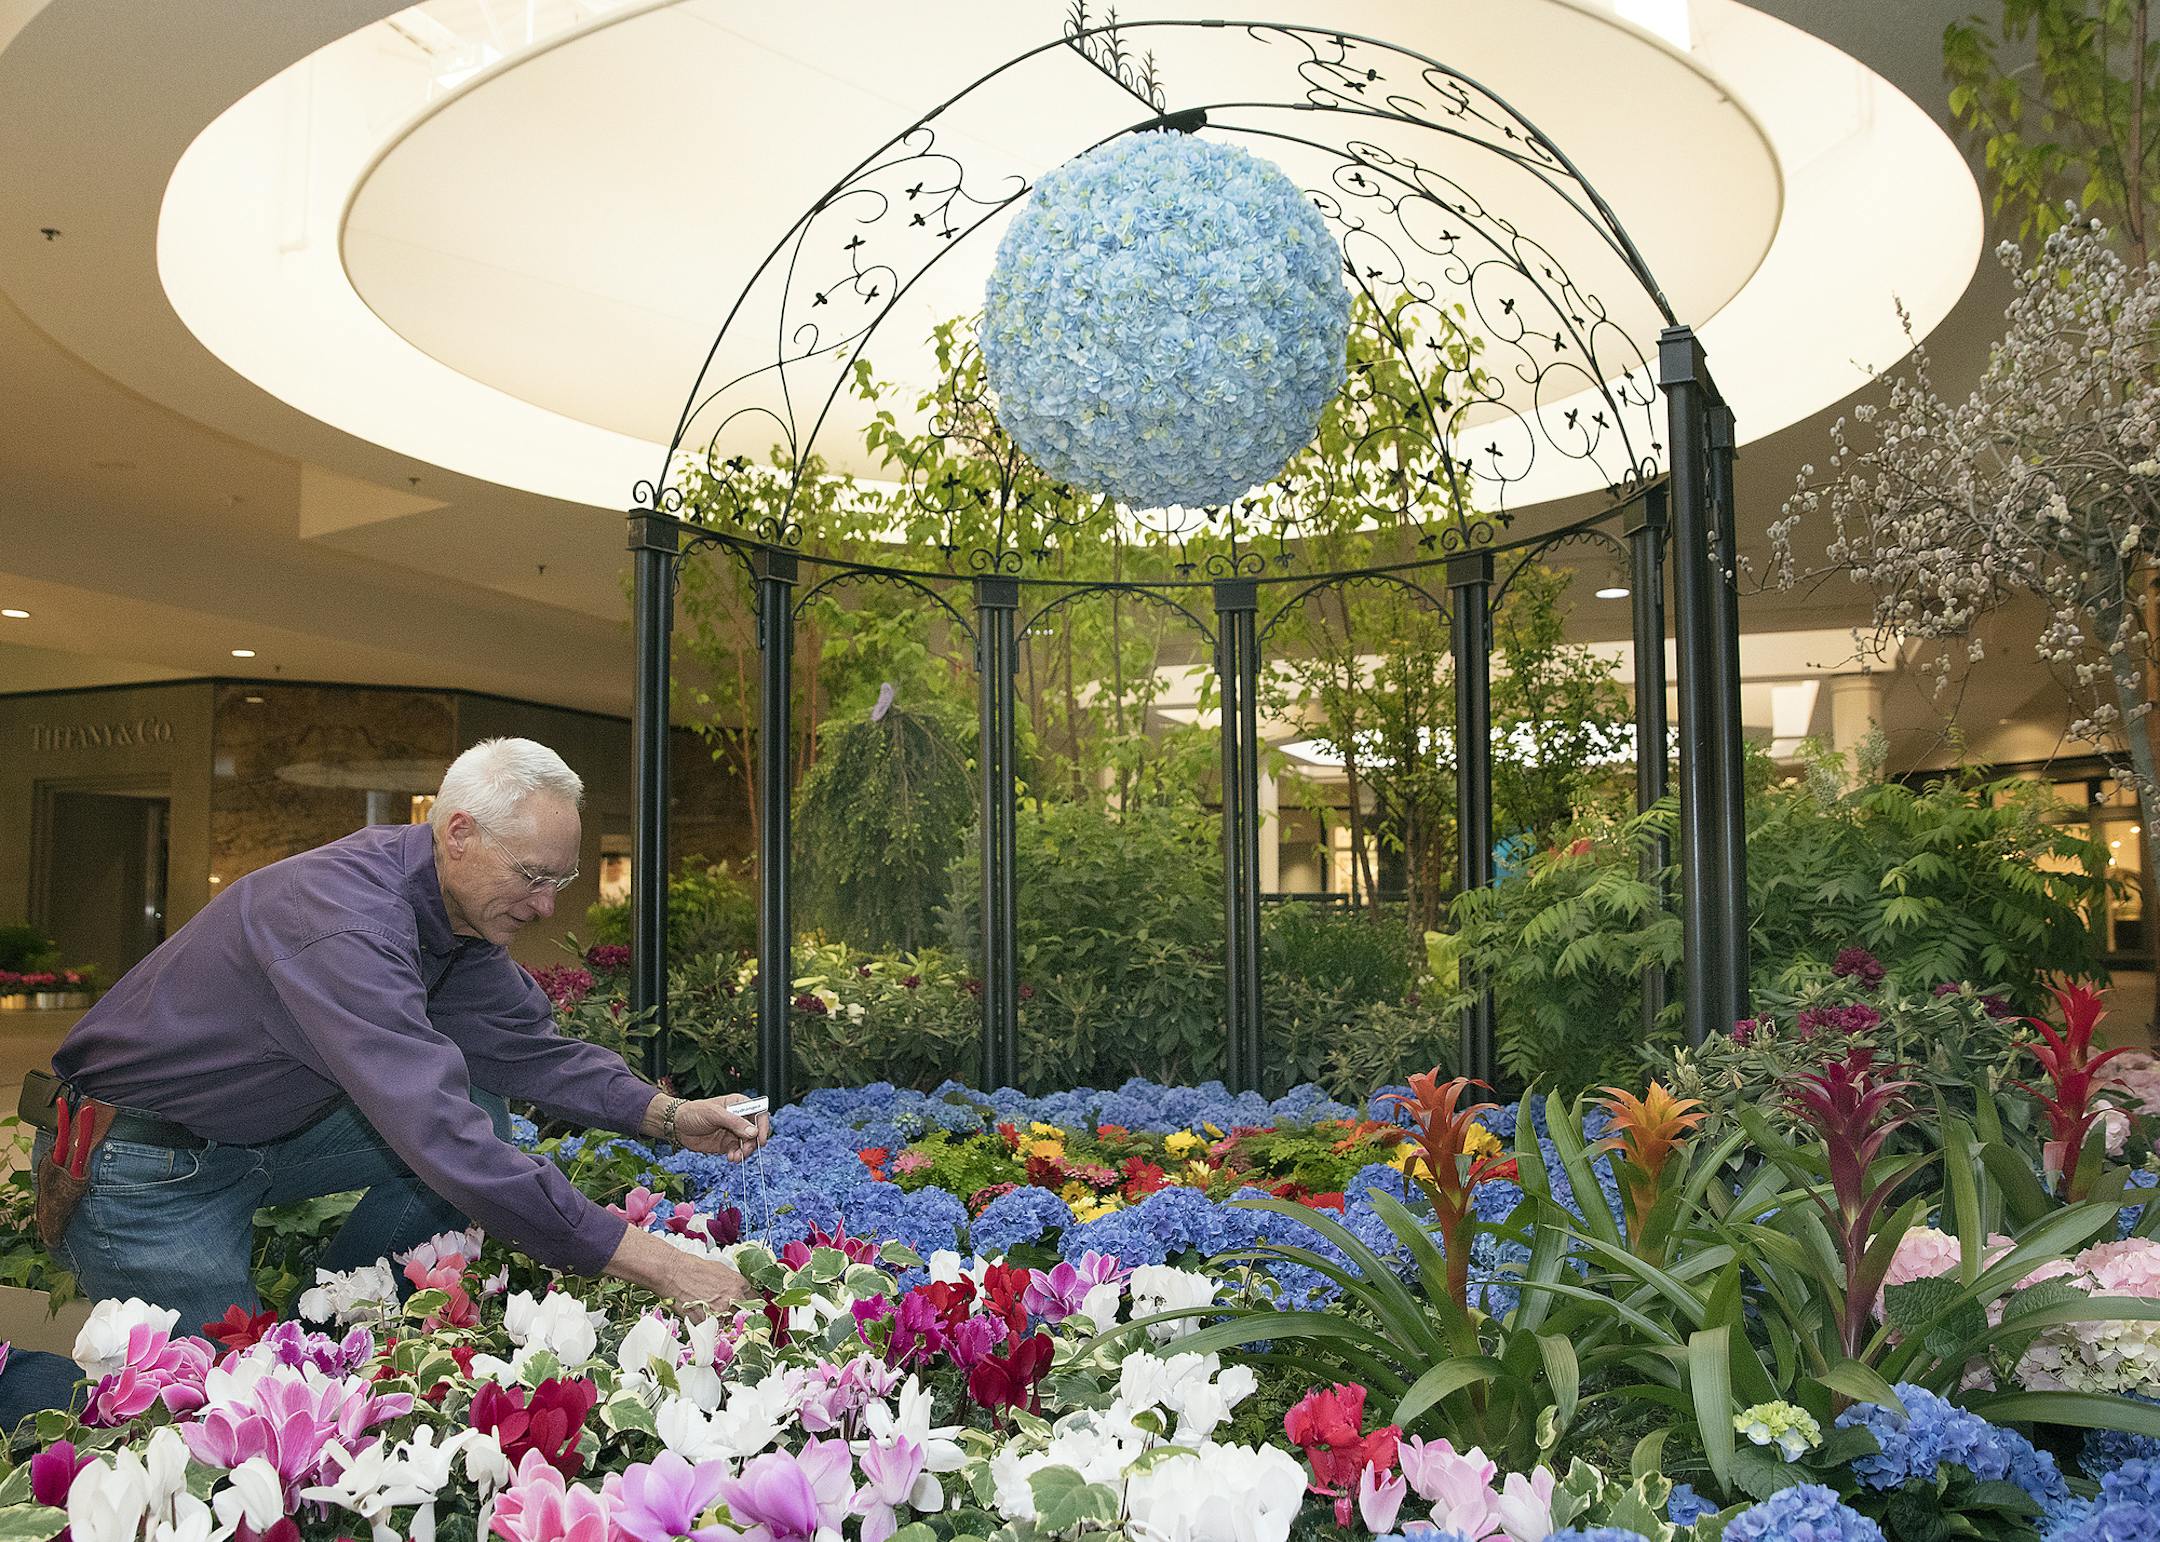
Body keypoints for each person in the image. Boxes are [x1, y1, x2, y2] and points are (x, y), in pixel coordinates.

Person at [25, 737, 767, 1334]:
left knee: (487, 1109)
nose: (546, 908)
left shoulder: (454, 912)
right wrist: (663, 1267)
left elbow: (531, 1053)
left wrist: (670, 1117)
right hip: (141, 1160)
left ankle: (326, 1330)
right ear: (459, 834)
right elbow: (438, 1133)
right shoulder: (347, 922)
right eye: (534, 878)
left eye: (560, 883)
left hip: (254, 1136)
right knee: (213, 1405)